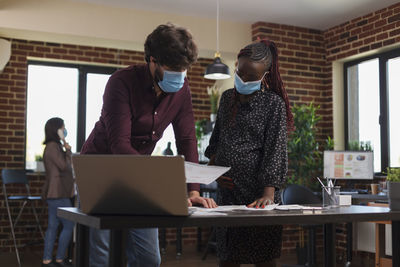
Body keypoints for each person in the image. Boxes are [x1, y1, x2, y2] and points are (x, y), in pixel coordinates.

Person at [80, 23, 217, 267]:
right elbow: (119, 145)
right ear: (152, 61)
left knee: (148, 258)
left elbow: (186, 140)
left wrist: (193, 190)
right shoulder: (121, 83)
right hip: (100, 169)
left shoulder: (182, 89)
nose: (180, 75)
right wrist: (159, 185)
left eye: (184, 69)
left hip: (138, 174)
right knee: (101, 256)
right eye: (173, 69)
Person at [205, 39, 294, 267]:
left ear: (265, 75)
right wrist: (213, 172)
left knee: (263, 258)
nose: (243, 79)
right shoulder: (226, 99)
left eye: (251, 76)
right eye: (240, 72)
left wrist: (268, 193)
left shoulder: (273, 104)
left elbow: (275, 150)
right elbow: (217, 142)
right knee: (228, 258)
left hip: (259, 198)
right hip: (229, 195)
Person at [41, 117, 75, 267]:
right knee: (68, 225)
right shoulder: (54, 147)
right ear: (57, 130)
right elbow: (64, 166)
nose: (65, 129)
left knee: (53, 226)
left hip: (53, 193)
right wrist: (67, 149)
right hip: (58, 192)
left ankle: (47, 260)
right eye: (63, 127)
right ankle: (60, 259)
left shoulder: (52, 146)